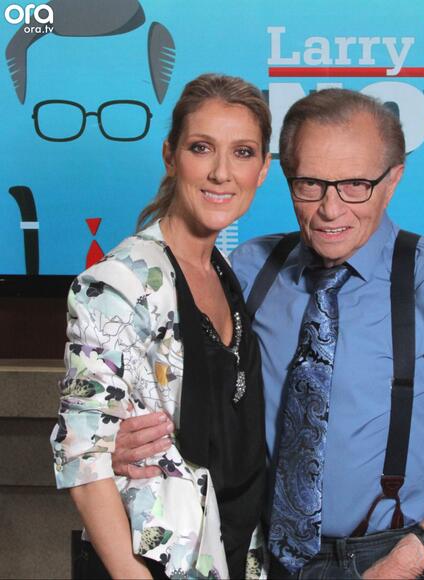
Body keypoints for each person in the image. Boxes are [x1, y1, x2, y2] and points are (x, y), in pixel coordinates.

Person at [112, 88, 424, 579]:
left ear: (393, 179)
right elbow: (198, 398)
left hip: (396, 557)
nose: (331, 209)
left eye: (355, 185)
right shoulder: (249, 269)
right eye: (310, 184)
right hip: (264, 556)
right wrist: (128, 444)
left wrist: (411, 556)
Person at [50, 73, 272, 580]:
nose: (221, 173)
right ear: (171, 155)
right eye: (201, 148)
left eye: (242, 152)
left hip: (236, 554)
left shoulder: (226, 272)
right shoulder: (119, 282)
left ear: (262, 169)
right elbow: (82, 455)